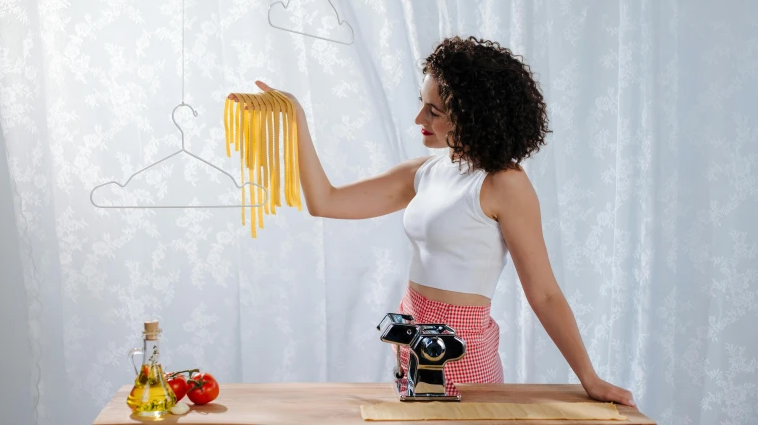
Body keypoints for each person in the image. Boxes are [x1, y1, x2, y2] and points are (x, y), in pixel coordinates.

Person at [249, 36, 635, 407]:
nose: (420, 117)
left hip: (460, 349)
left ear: (473, 116)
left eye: (434, 111)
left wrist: (590, 378)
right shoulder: (426, 171)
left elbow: (545, 293)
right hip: (410, 340)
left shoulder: (505, 184)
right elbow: (325, 201)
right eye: (422, 104)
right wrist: (295, 117)